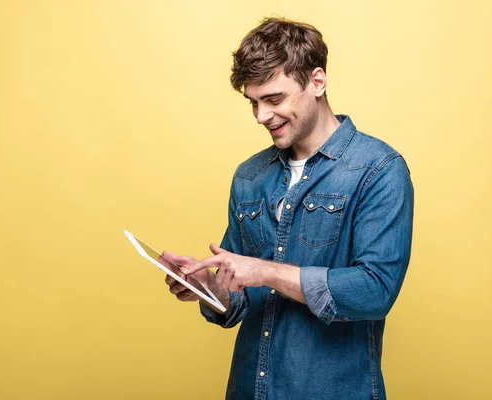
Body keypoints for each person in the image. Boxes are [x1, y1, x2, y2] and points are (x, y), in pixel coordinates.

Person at [163, 17, 413, 400]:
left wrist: (266, 271)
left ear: (317, 82)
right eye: (254, 102)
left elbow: (375, 291)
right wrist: (211, 289)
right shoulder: (250, 176)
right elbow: (242, 293)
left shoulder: (378, 169)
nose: (262, 116)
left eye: (274, 99)